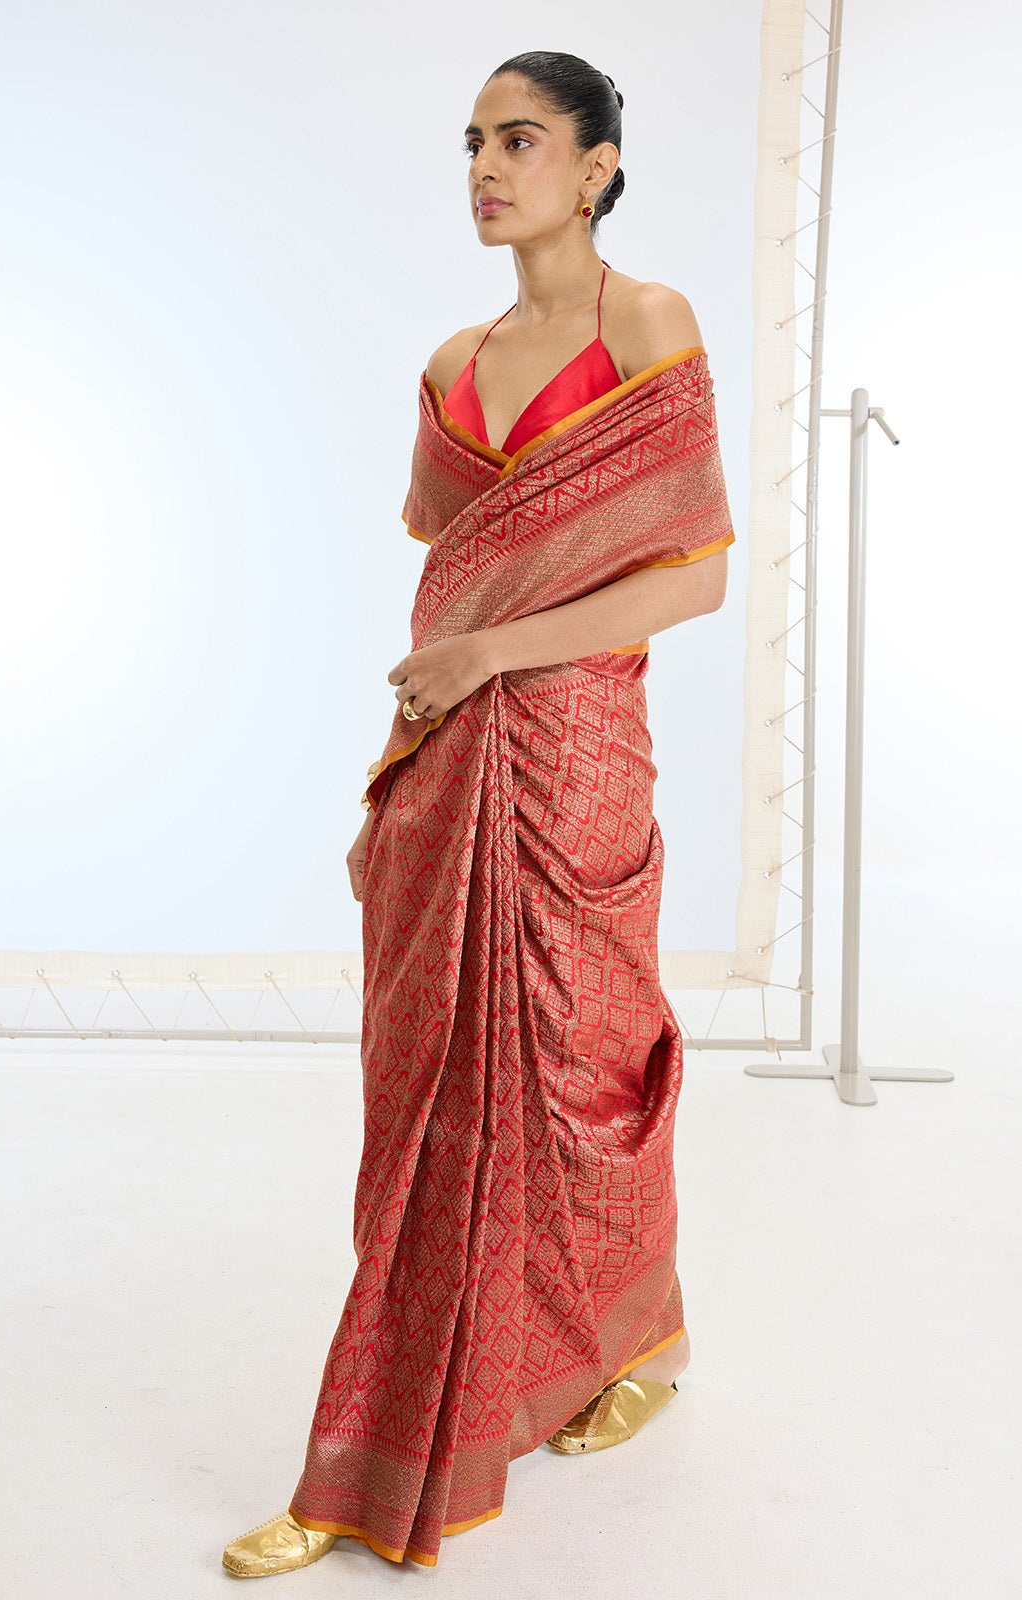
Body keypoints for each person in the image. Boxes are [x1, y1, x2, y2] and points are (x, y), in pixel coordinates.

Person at [222, 49, 734, 1578]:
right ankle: (384, 1437)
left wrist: (493, 655)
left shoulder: (648, 327)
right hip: (446, 763)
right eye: (473, 144)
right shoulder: (452, 363)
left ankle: (632, 1341)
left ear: (597, 167)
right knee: (431, 1095)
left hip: (578, 759)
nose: (487, 169)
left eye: (521, 141)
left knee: (583, 1075)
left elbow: (695, 579)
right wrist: (436, 708)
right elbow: (457, 578)